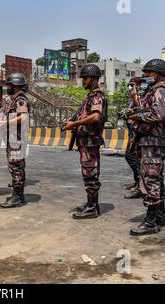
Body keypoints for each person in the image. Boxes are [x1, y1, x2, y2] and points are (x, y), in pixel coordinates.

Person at [128, 59, 165, 236]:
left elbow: (158, 114)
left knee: (150, 180)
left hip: (152, 141)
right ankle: (160, 217)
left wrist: (136, 116)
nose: (145, 76)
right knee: (156, 178)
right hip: (158, 140)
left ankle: (150, 222)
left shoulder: (160, 90)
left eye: (147, 73)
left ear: (156, 73)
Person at [63, 64, 108, 219]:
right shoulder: (91, 96)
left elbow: (95, 116)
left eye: (86, 78)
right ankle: (91, 203)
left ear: (94, 79)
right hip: (86, 141)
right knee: (88, 173)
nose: (83, 81)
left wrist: (75, 124)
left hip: (90, 141)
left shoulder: (97, 96)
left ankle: (93, 207)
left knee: (91, 174)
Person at [0, 73, 31, 209]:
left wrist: (5, 122)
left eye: (10, 85)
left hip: (16, 140)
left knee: (16, 167)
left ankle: (17, 197)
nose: (8, 88)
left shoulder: (21, 99)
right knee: (15, 166)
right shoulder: (14, 99)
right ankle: (19, 196)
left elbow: (23, 117)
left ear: (16, 86)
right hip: (13, 139)